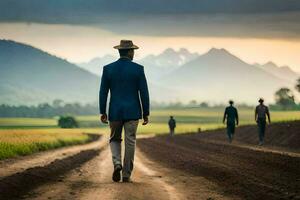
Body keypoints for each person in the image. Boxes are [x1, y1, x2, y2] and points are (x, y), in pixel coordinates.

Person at [99, 40, 150, 183]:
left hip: (115, 111)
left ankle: (117, 164)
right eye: (133, 50)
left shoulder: (108, 69)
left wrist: (103, 111)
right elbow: (144, 93)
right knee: (130, 141)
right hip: (133, 112)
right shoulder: (138, 69)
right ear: (129, 52)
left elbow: (103, 92)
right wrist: (146, 112)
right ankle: (126, 174)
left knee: (115, 139)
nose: (134, 53)